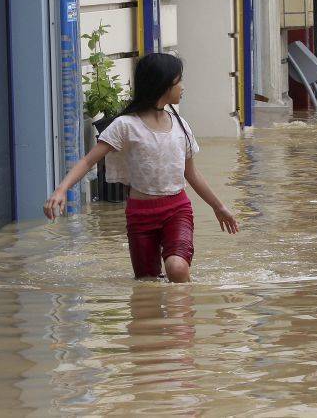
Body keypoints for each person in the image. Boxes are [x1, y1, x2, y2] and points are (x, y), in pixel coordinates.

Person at [43, 53, 239, 283]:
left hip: (177, 209)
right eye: (179, 81)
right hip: (140, 214)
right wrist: (61, 189)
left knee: (177, 267)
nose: (183, 87)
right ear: (163, 85)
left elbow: (191, 174)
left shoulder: (181, 126)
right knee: (147, 281)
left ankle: (183, 319)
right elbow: (88, 161)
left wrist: (219, 206)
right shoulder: (125, 125)